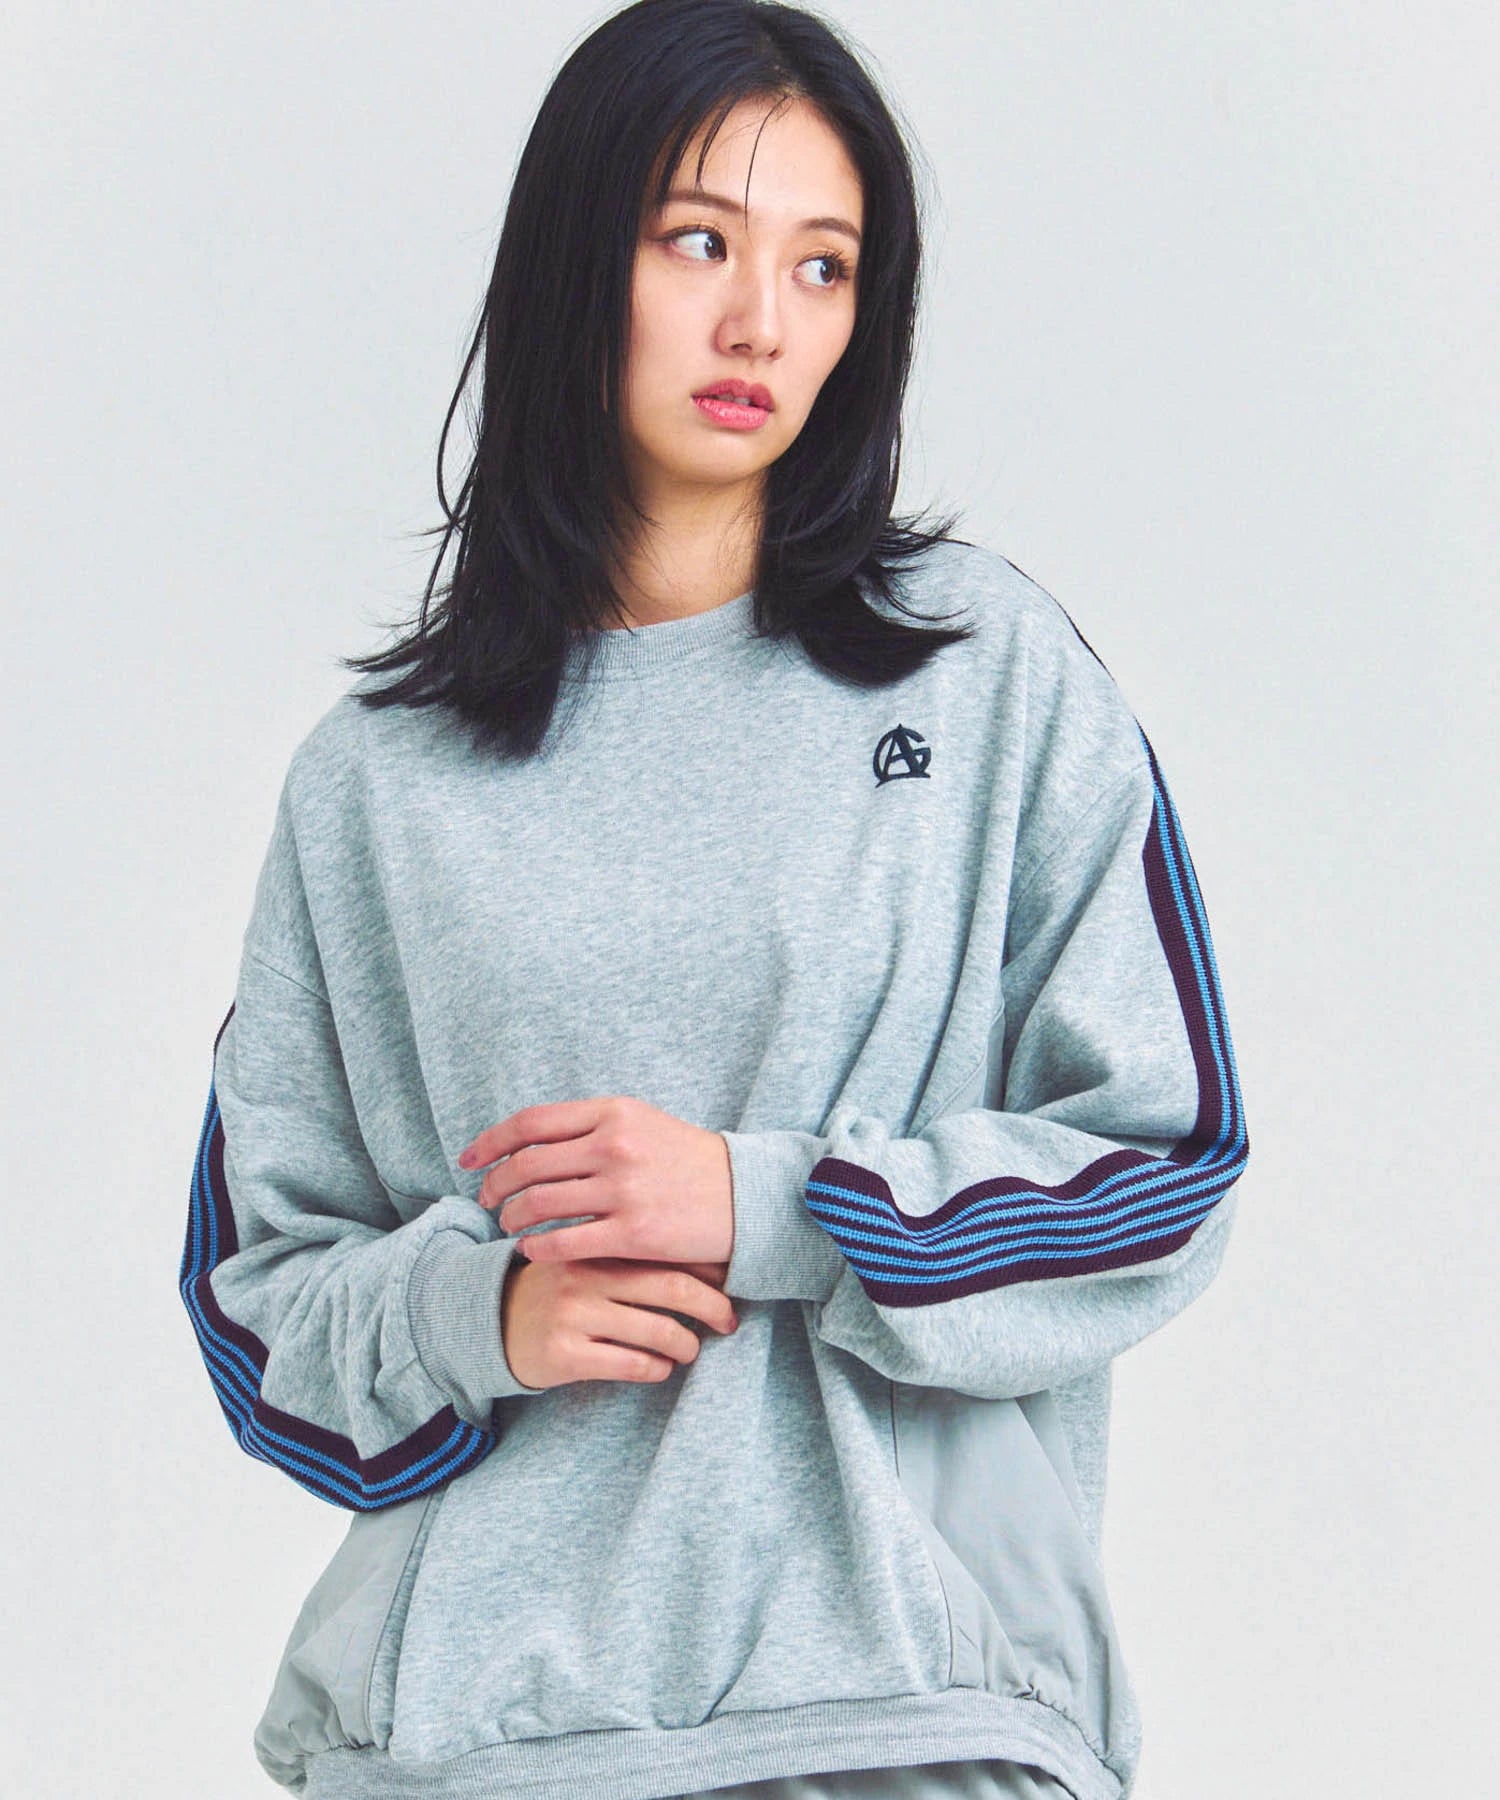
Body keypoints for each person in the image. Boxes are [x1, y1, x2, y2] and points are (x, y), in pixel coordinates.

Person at [179, 3, 1249, 1796]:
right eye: (700, 241)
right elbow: (252, 1297)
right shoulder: (375, 781)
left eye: (824, 266)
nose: (763, 320)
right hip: (478, 1744)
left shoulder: (983, 679)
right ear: (575, 258)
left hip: (903, 1712)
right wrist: (476, 1319)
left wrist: (769, 1205)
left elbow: (1168, 1164)